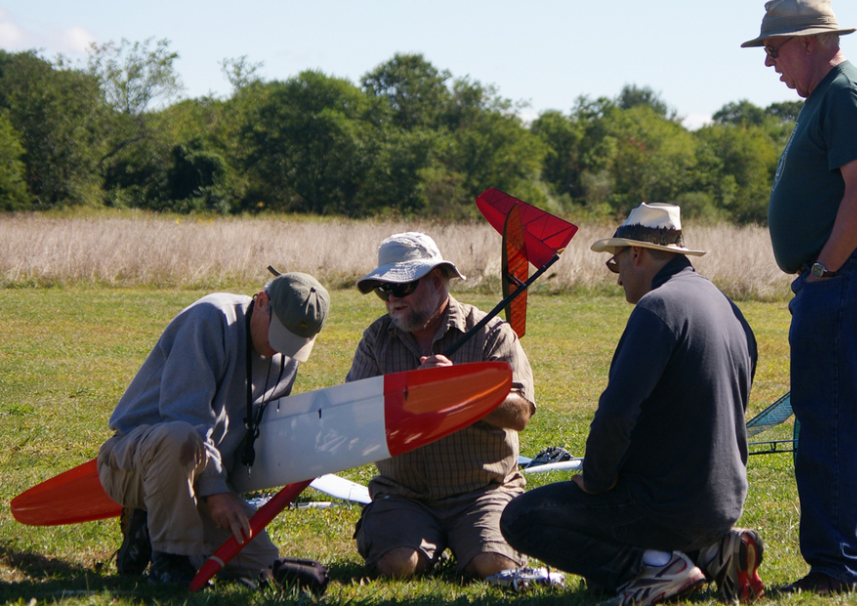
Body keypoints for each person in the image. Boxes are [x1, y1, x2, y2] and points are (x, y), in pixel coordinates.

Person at [500, 203, 763, 605]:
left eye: (615, 263)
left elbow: (616, 414)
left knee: (520, 518)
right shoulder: (727, 307)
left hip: (666, 504)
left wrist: (597, 479)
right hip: (722, 503)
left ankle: (654, 568)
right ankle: (711, 552)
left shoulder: (657, 309)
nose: (617, 276)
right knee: (597, 580)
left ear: (636, 254)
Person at [742, 0, 857, 595]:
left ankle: (839, 569)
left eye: (775, 49)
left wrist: (825, 272)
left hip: (850, 276)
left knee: (828, 425)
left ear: (809, 42)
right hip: (852, 275)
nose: (770, 64)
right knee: (851, 422)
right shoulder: (831, 95)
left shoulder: (843, 92)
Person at [98, 271, 330, 585]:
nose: (280, 351)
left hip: (203, 478)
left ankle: (149, 528)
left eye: (293, 344)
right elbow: (184, 417)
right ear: (261, 302)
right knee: (180, 437)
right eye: (279, 336)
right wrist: (217, 491)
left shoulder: (286, 361)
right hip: (136, 461)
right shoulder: (209, 319)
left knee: (261, 562)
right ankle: (171, 561)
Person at [346, 232, 535, 580]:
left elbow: (520, 413)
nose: (391, 299)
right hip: (404, 495)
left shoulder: (492, 333)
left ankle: (477, 542)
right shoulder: (376, 339)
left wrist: (460, 391)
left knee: (495, 566)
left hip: (483, 492)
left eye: (400, 287)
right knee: (396, 565)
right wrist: (408, 397)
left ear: (436, 280)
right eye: (383, 290)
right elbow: (353, 415)